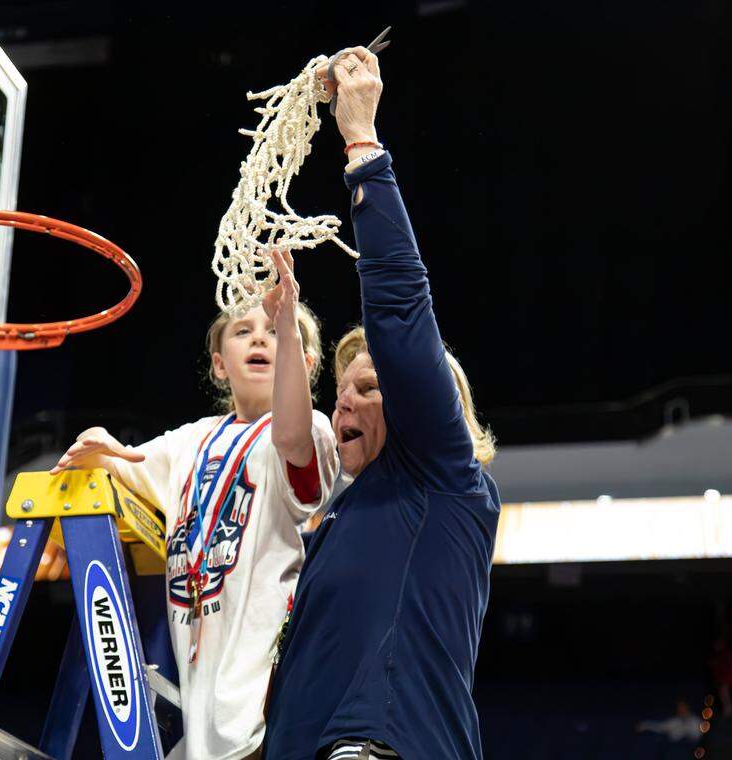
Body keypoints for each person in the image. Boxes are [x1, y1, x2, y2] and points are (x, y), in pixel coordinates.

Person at [262, 47, 501, 759]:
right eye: (340, 397)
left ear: (433, 406)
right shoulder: (344, 517)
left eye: (367, 391)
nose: (341, 411)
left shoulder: (441, 471)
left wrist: (363, 144)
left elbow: (399, 314)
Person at [51, 250, 339, 760]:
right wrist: (95, 444)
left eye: (275, 330)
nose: (260, 337)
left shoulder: (307, 430)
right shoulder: (189, 442)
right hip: (201, 714)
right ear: (218, 364)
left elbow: (292, 435)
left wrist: (290, 323)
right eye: (243, 330)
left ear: (305, 363)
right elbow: (122, 462)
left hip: (267, 705)